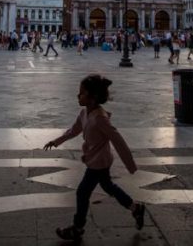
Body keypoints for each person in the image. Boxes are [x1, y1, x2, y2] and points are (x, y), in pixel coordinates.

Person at [44, 74, 145, 241]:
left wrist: (130, 164)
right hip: (96, 159)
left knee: (82, 193)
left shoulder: (100, 118)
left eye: (82, 93)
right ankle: (135, 208)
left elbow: (118, 140)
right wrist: (56, 141)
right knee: (108, 187)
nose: (78, 95)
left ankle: (77, 228)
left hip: (99, 163)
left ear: (93, 98)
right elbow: (73, 130)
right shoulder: (84, 113)